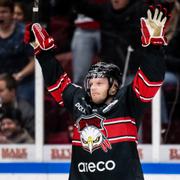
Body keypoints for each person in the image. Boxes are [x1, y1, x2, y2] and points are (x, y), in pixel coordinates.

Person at [24, 6, 168, 180]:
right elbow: (57, 80)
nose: (92, 87)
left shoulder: (128, 101)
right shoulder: (79, 100)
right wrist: (43, 53)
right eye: (90, 83)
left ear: (114, 87)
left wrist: (154, 47)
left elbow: (151, 78)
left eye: (99, 83)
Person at [0, 0, 35, 105]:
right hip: (1, 82)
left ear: (12, 14)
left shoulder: (25, 33)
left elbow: (34, 61)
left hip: (22, 81)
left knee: (24, 103)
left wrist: (20, 75)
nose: (0, 15)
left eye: (4, 12)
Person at [0, 73, 34, 138]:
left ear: (12, 92)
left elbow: (32, 138)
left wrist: (17, 131)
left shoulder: (27, 111)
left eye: (1, 91)